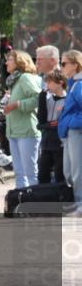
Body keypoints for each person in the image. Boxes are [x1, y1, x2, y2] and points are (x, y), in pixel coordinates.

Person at [3, 49, 42, 189]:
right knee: (19, 174)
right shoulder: (14, 80)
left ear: (19, 61)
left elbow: (38, 98)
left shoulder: (25, 77)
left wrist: (17, 104)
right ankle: (22, 203)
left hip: (27, 131)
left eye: (9, 59)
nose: (6, 62)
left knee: (31, 173)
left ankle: (36, 205)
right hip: (13, 132)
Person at [56, 50, 82, 215]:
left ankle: (81, 204)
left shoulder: (79, 84)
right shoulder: (74, 83)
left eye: (64, 63)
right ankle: (78, 201)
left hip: (76, 132)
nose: (61, 66)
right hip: (69, 133)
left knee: (77, 170)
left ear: (75, 64)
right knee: (69, 172)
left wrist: (73, 123)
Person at [38, 69, 67, 185]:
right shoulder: (48, 99)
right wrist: (41, 98)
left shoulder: (67, 100)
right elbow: (41, 120)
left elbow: (60, 123)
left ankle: (60, 200)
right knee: (42, 175)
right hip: (45, 144)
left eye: (50, 82)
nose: (47, 85)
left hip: (60, 144)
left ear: (60, 83)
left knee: (60, 175)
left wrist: (46, 125)